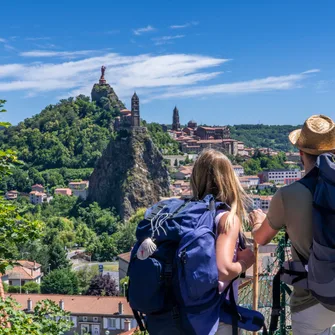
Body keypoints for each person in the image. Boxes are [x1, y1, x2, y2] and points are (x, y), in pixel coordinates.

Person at [249, 114, 335, 335]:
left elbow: (261, 238)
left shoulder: (289, 195)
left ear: (300, 153)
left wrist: (257, 221)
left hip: (311, 299)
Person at [190, 149, 255, 334]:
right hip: (216, 316)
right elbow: (223, 270)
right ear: (229, 179)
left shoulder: (187, 215)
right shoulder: (226, 219)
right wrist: (245, 262)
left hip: (185, 313)